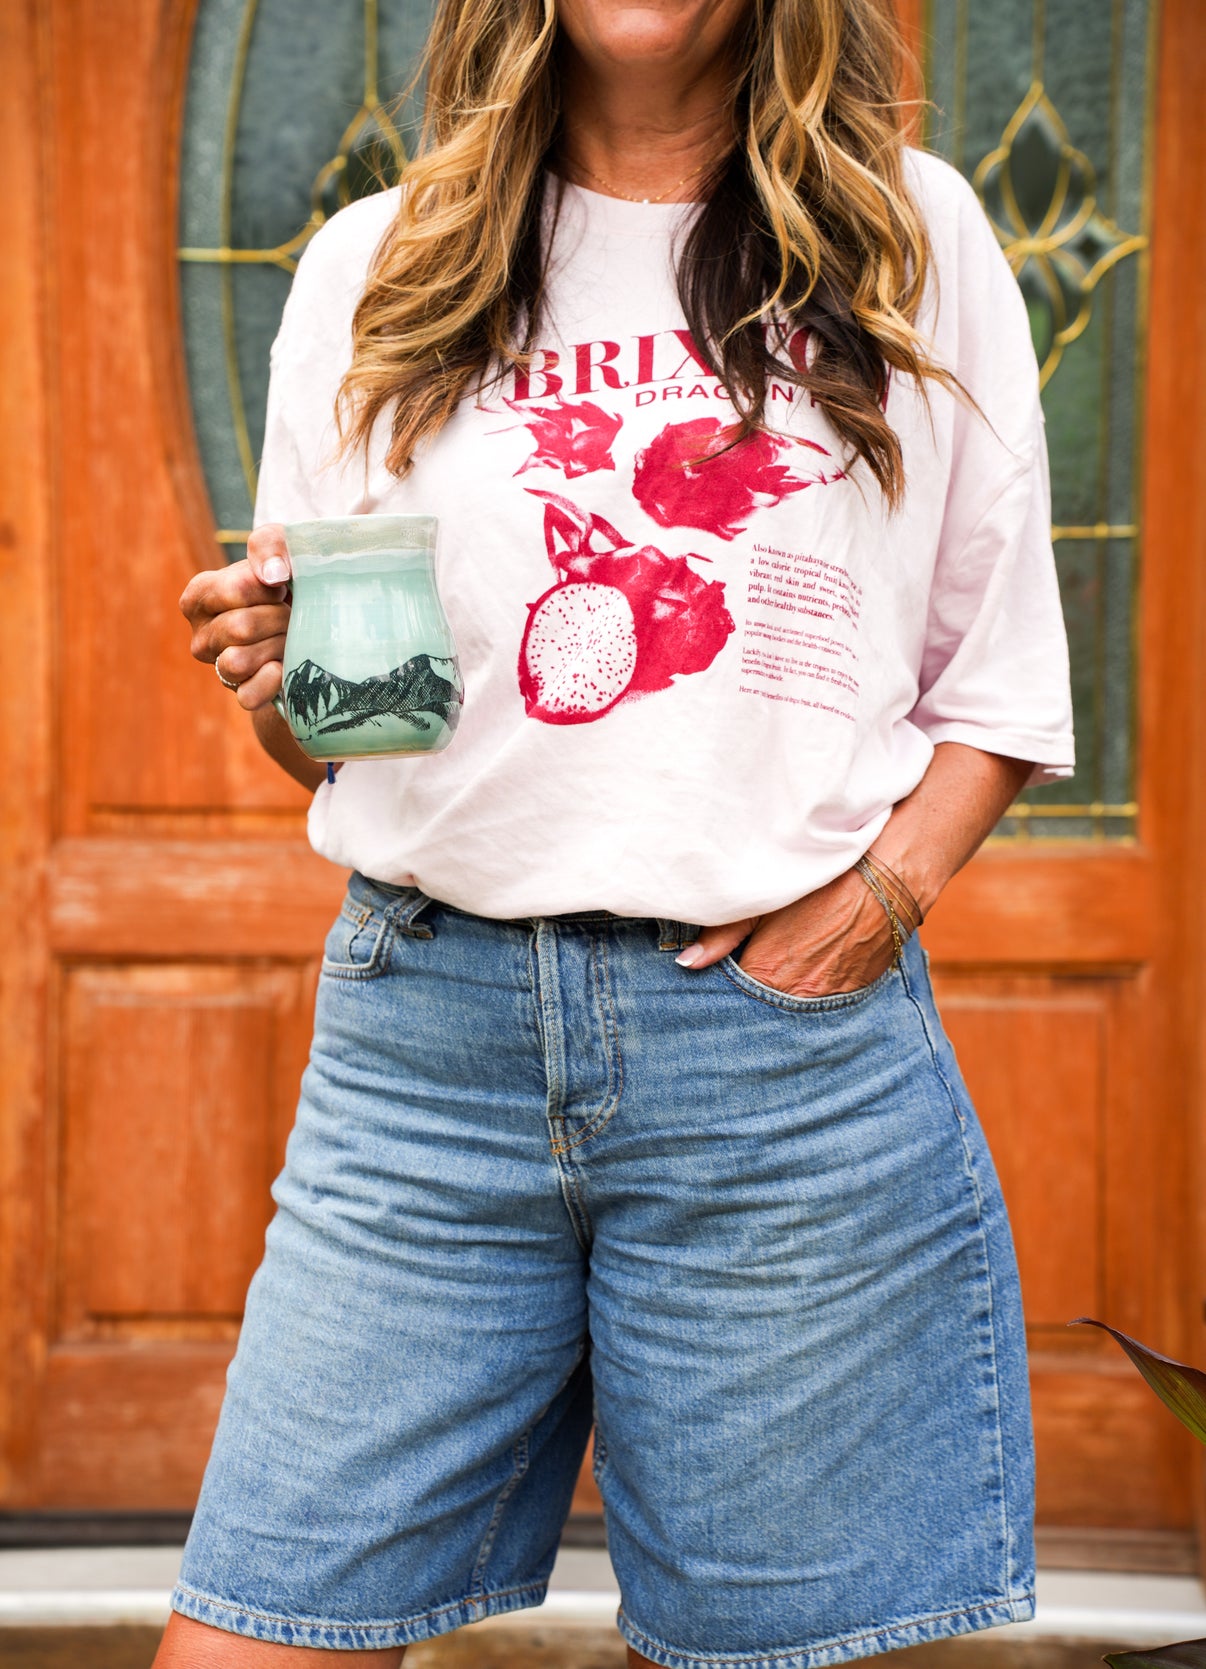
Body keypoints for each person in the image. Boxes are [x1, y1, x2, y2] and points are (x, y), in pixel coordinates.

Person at [162, 0, 1074, 1663]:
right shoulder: (377, 264)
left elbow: (998, 682)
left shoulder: (906, 237)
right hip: (425, 1065)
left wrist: (876, 901)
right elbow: (346, 742)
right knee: (251, 1627)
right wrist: (276, 678)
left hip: (775, 1079)